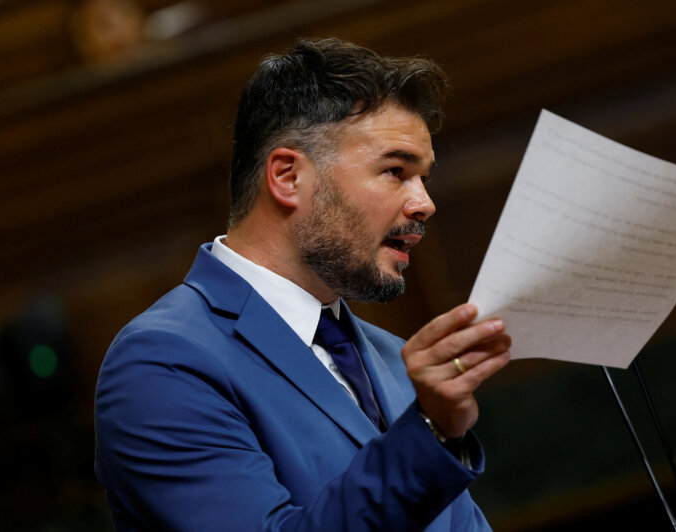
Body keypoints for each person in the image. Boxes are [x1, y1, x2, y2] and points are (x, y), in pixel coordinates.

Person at [94, 37, 512, 531]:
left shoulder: (396, 360)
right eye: (395, 170)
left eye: (423, 177)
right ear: (288, 176)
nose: (424, 203)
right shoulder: (162, 362)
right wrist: (431, 431)